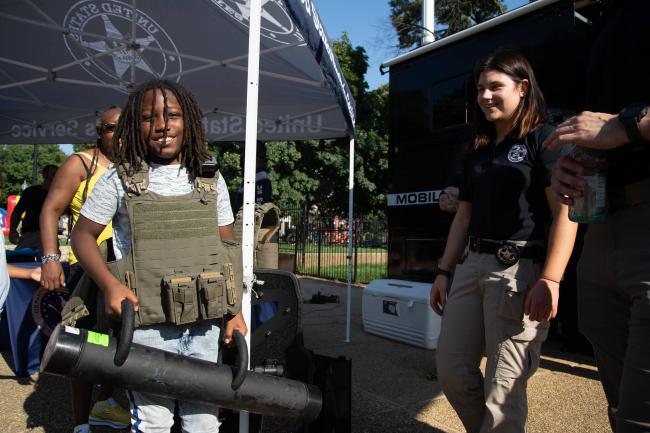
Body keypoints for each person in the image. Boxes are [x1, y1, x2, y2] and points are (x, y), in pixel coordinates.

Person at [71, 78, 247, 433]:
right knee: (153, 423)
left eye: (173, 115)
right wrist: (110, 286)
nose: (163, 125)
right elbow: (82, 237)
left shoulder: (209, 177)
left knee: (203, 422)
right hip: (147, 326)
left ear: (189, 122)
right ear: (136, 125)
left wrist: (235, 313)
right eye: (149, 117)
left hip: (205, 324)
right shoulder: (119, 178)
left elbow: (227, 250)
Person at [428, 48, 578, 433]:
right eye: (480, 89)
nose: (485, 96)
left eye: (496, 87)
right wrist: (444, 271)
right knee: (452, 373)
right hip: (470, 268)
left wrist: (551, 279)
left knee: (503, 392)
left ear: (523, 87)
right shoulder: (477, 148)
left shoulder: (543, 139)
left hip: (518, 273)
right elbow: (463, 216)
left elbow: (565, 211)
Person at [545, 1, 650, 430]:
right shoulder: (604, 27)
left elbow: (616, 126)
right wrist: (570, 163)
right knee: (621, 414)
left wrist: (626, 127)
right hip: (602, 226)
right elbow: (595, 127)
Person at [39, 106, 130, 433]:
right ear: (99, 131)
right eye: (109, 129)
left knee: (118, 343)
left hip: (125, 268)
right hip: (88, 269)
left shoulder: (137, 165)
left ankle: (105, 407)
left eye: (124, 128)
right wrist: (50, 258)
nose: (117, 135)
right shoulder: (81, 163)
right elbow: (51, 209)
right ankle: (80, 424)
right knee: (85, 344)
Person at [9, 164, 58, 250]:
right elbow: (17, 212)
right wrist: (12, 230)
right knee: (21, 260)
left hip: (49, 235)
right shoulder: (30, 191)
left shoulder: (59, 194)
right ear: (44, 175)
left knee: (47, 261)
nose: (56, 175)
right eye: (53, 173)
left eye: (58, 173)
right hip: (29, 234)